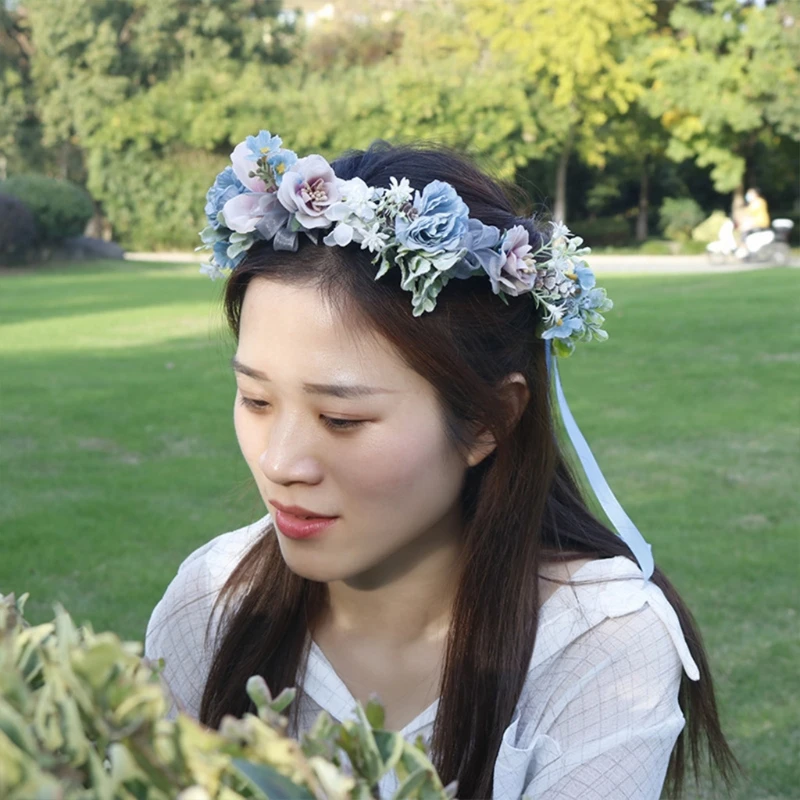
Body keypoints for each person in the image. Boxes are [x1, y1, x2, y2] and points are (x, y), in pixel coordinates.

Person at [144, 132, 738, 799]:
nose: (279, 462)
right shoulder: (213, 600)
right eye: (256, 399)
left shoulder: (596, 642)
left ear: (488, 420)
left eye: (342, 419)